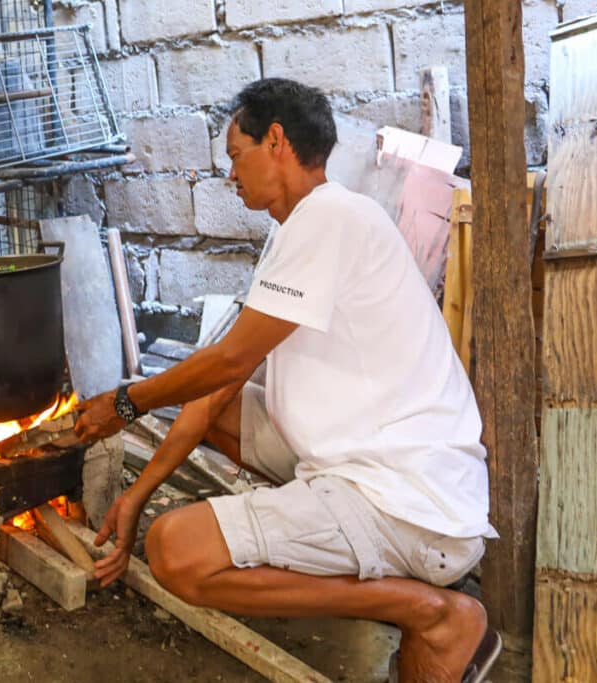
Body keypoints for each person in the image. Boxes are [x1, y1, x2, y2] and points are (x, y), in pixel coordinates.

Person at [74, 78, 501, 683]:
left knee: (176, 552)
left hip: (407, 500)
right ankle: (333, 541)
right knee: (219, 411)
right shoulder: (303, 227)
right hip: (368, 460)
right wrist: (136, 494)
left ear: (276, 140)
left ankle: (431, 611)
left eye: (235, 155)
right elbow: (223, 382)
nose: (230, 174)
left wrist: (126, 401)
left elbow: (225, 360)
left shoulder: (329, 218)